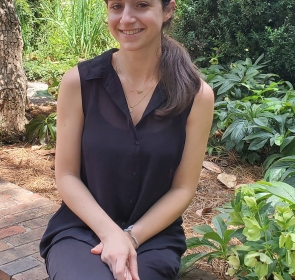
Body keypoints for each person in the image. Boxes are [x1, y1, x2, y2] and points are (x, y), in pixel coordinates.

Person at [38, 0, 214, 279]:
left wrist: (130, 237)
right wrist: (111, 235)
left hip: (152, 236)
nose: (126, 18)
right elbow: (67, 175)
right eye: (117, 6)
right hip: (82, 229)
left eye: (141, 5)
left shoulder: (196, 96)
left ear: (168, 10)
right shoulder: (79, 83)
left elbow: (183, 188)